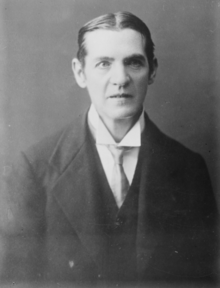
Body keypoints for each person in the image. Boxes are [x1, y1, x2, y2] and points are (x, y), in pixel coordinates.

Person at [0, 11, 218, 287]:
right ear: (80, 72)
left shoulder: (189, 169)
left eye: (134, 63)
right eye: (104, 63)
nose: (120, 78)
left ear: (153, 70)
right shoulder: (34, 169)